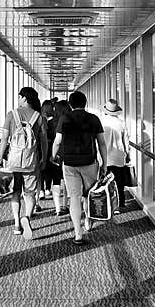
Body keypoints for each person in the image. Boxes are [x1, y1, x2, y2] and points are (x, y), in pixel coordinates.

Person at [52, 91, 108, 246]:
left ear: (70, 104)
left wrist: (53, 156)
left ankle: (78, 233)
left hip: (69, 164)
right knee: (88, 195)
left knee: (74, 197)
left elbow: (57, 142)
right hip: (89, 162)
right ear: (85, 103)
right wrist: (104, 163)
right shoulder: (93, 119)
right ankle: (88, 221)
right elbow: (102, 143)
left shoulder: (64, 118)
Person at [0, 86, 48, 240]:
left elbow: (4, 139)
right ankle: (27, 217)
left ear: (24, 98)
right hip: (30, 162)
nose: (18, 99)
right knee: (30, 193)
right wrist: (44, 159)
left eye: (20, 97)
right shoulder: (38, 117)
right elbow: (44, 142)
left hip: (13, 162)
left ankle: (16, 224)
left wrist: (0, 159)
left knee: (15, 192)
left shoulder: (11, 115)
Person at [101, 98, 130, 213]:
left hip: (105, 156)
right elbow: (126, 141)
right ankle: (119, 204)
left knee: (105, 181)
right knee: (119, 181)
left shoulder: (101, 122)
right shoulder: (121, 123)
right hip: (119, 156)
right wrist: (127, 154)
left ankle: (107, 203)